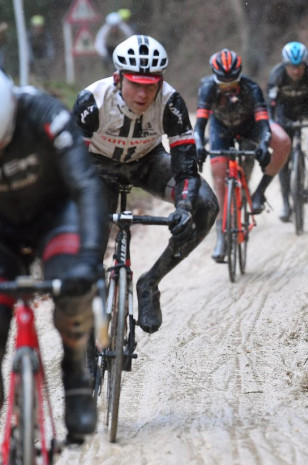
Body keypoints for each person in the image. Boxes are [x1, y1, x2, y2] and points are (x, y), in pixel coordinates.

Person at [72, 35, 218, 334]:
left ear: (161, 81)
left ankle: (150, 283)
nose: (142, 93)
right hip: (97, 168)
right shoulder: (92, 101)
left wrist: (185, 207)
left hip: (147, 163)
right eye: (135, 84)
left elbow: (186, 165)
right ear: (118, 77)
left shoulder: (171, 102)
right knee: (93, 239)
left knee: (204, 205)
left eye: (150, 85)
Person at [0, 71, 106, 442]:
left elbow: (86, 185)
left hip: (55, 216)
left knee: (74, 286)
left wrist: (90, 260)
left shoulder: (45, 113)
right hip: (3, 230)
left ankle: (76, 370)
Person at [194, 48, 291, 261]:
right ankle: (221, 233)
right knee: (219, 173)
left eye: (233, 82)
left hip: (251, 127)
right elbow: (199, 124)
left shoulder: (251, 88)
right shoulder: (208, 87)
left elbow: (264, 123)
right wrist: (199, 144)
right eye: (224, 83)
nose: (228, 87)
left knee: (283, 141)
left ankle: (259, 192)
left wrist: (265, 144)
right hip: (221, 129)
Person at [267, 42, 308, 222]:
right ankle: (285, 203)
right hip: (285, 114)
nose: (296, 71)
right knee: (285, 159)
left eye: (299, 67)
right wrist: (271, 124)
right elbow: (269, 105)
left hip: (307, 111)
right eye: (292, 67)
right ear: (285, 65)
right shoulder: (277, 75)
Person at [27, 15, 54, 84]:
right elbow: (28, 48)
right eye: (36, 27)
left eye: (39, 27)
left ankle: (45, 85)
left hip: (44, 58)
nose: (38, 29)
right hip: (33, 58)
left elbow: (49, 46)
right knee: (35, 75)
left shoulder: (46, 35)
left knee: (45, 75)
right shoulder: (30, 36)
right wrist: (30, 59)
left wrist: (50, 56)